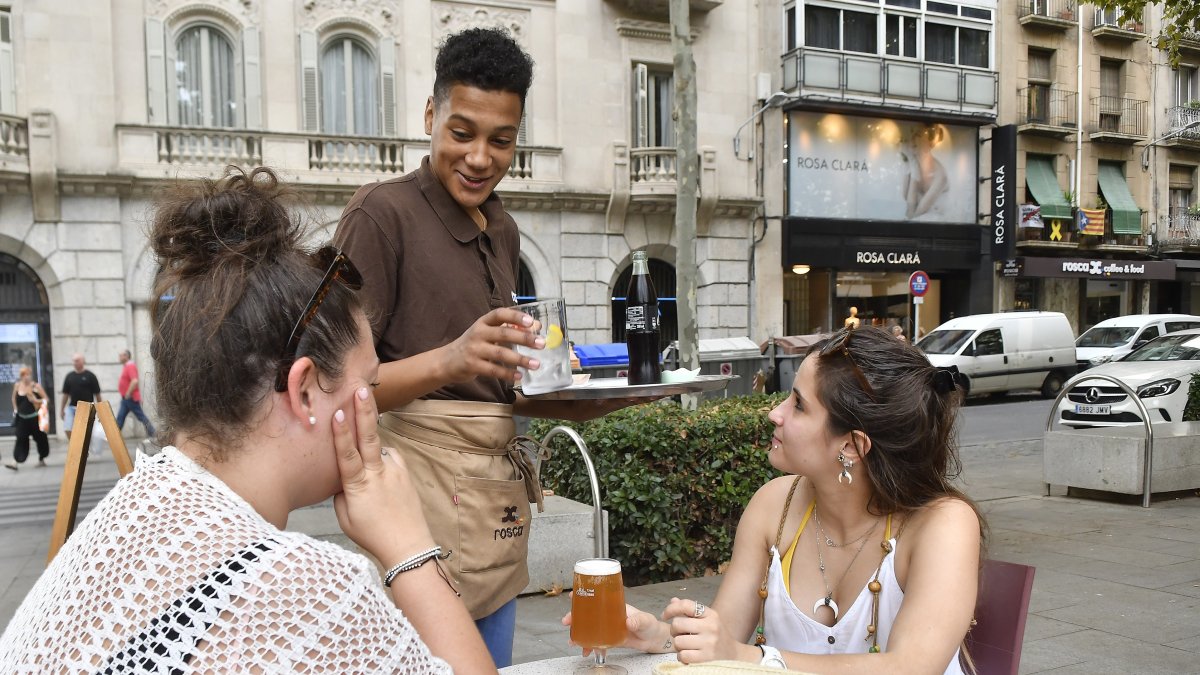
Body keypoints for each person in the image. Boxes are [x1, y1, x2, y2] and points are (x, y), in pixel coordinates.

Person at [0, 167, 496, 674]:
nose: (373, 402)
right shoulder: (312, 597)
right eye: (368, 384)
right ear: (305, 391)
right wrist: (408, 546)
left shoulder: (124, 513)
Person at [334, 27, 639, 667]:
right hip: (421, 508)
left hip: (491, 510)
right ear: (430, 115)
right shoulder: (380, 216)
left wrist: (572, 392)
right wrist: (453, 357)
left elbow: (493, 383)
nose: (480, 158)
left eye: (501, 140)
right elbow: (335, 391)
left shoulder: (502, 228)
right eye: (462, 132)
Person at [566, 327, 985, 673]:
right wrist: (658, 636)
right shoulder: (774, 504)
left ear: (852, 446)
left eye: (798, 405)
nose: (775, 413)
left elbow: (910, 667)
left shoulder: (943, 524)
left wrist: (753, 657)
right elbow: (724, 638)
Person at [900, 123, 949, 221]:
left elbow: (912, 213)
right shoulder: (914, 162)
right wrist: (911, 162)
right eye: (912, 133)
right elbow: (905, 197)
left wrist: (913, 165)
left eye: (918, 135)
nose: (912, 139)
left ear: (930, 143)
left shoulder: (940, 176)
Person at [7, 366, 50, 469]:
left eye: (28, 375)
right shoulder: (17, 385)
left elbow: (46, 400)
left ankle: (42, 459)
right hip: (22, 418)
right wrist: (15, 409)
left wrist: (35, 400)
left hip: (35, 418)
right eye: (24, 375)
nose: (26, 377)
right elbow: (13, 398)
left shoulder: (36, 386)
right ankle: (15, 461)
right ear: (21, 376)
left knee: (40, 439)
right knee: (20, 438)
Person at [116, 348, 157, 439]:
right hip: (126, 398)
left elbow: (134, 381)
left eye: (121, 355)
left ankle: (153, 433)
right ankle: (114, 436)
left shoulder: (130, 366)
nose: (119, 357)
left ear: (126, 356)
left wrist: (128, 393)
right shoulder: (127, 366)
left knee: (140, 416)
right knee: (120, 417)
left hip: (130, 397)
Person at [59, 352, 102, 436]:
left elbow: (97, 394)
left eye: (77, 360)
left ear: (83, 361)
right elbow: (65, 395)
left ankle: (83, 444)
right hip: (72, 407)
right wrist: (62, 409)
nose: (75, 363)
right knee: (67, 428)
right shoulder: (69, 376)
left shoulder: (90, 376)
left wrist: (100, 410)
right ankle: (74, 443)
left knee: (86, 432)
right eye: (73, 361)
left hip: (87, 407)